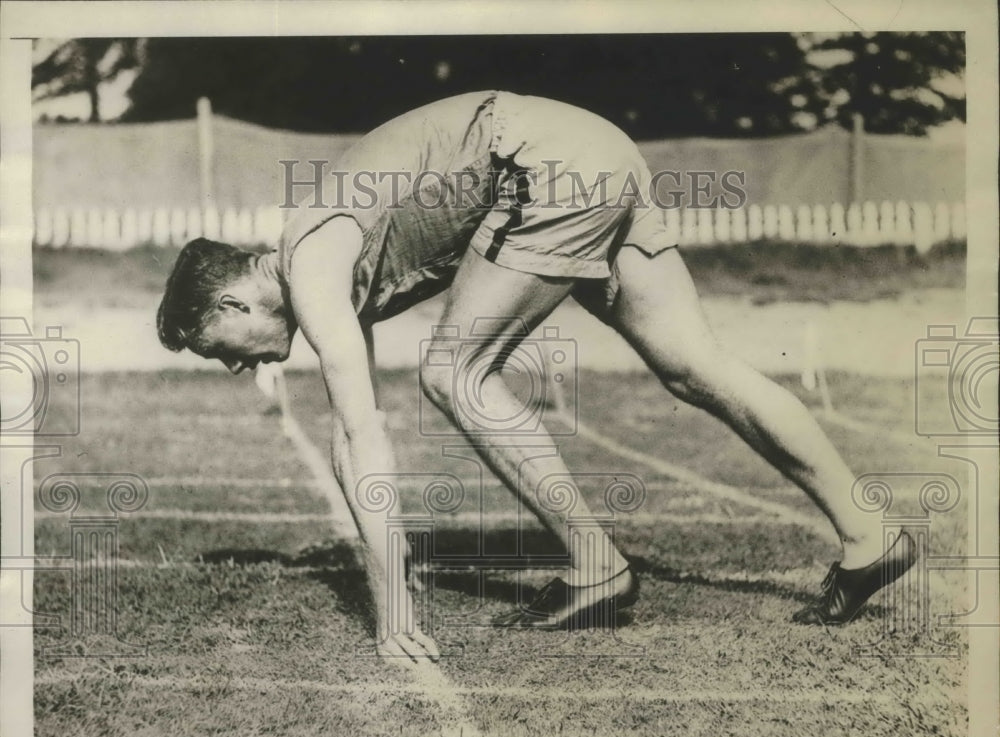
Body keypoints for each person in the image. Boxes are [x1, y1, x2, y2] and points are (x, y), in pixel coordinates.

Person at [156, 91, 915, 663]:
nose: (234, 365)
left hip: (545, 163)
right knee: (696, 366)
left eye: (218, 345)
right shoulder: (320, 258)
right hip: (593, 149)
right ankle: (868, 535)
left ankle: (596, 568)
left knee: (454, 370)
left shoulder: (309, 259)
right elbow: (351, 430)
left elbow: (359, 433)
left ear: (232, 298)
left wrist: (390, 612)